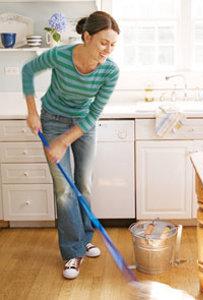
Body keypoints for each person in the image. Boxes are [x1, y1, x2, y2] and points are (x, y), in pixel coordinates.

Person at [22, 11, 120, 279]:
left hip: (83, 125)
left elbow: (93, 114)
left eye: (113, 45)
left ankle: (84, 238)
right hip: (52, 120)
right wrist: (32, 112)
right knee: (64, 189)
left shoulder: (110, 71)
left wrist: (63, 142)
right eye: (103, 43)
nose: (107, 50)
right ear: (87, 37)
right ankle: (72, 252)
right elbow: (28, 70)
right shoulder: (62, 55)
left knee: (83, 184)